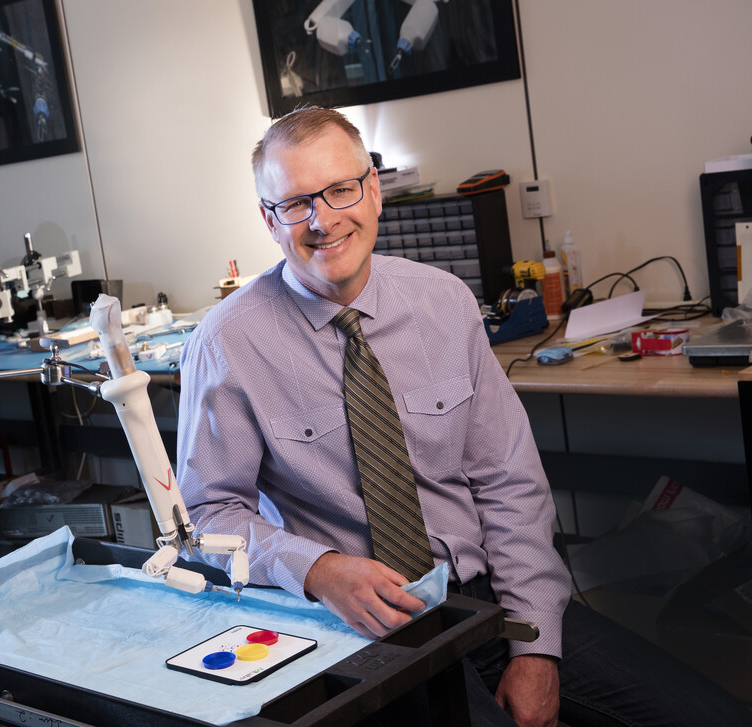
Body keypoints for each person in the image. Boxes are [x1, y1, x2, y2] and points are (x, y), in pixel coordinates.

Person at [176, 107, 750, 726]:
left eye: (341, 189)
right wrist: (316, 570)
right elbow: (206, 517)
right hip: (355, 626)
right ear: (268, 219)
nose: (324, 219)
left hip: (487, 601)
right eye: (295, 203)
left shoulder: (443, 303)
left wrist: (535, 650)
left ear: (373, 190)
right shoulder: (226, 343)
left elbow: (509, 484)